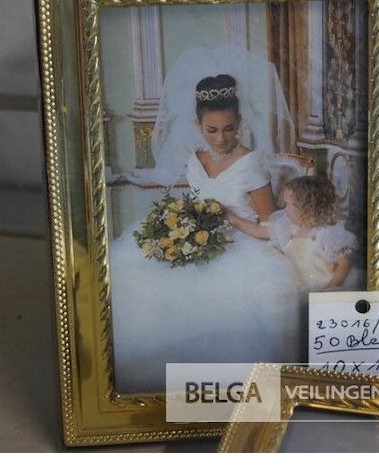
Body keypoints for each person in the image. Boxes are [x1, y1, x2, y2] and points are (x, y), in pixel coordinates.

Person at [108, 67, 303, 394]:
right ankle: (163, 387)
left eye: (229, 129)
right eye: (211, 130)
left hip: (244, 242)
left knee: (231, 298)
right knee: (137, 278)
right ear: (197, 125)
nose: (221, 139)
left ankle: (238, 389)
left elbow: (271, 225)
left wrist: (232, 219)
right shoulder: (195, 159)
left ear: (240, 124)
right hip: (198, 237)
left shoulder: (251, 162)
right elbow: (196, 201)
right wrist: (181, 226)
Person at [227, 175, 361, 292]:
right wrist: (232, 218)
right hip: (297, 288)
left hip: (322, 286)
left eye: (288, 205)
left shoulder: (325, 234)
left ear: (306, 208)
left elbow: (343, 264)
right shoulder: (289, 227)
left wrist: (329, 288)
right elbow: (258, 231)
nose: (284, 209)